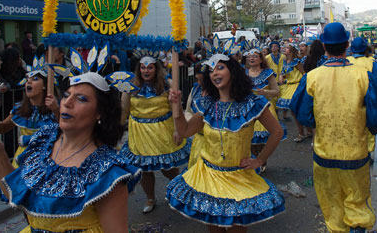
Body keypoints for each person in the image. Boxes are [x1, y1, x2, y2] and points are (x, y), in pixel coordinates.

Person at [0, 70, 141, 232]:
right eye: (66, 95)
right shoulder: (43, 140)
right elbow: (14, 193)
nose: (67, 103)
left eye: (81, 99)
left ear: (100, 113)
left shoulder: (107, 171)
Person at [166, 52, 285, 232]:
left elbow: (277, 131)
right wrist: (176, 108)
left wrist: (260, 160)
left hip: (239, 178)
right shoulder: (207, 104)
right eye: (211, 70)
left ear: (233, 71)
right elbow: (185, 131)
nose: (214, 73)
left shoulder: (252, 102)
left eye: (220, 68)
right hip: (208, 177)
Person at [291, 23, 377, 233]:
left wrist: (321, 123)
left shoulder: (312, 77)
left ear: (324, 45)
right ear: (347, 44)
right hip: (356, 153)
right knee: (357, 201)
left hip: (324, 153)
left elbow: (303, 113)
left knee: (332, 204)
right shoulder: (363, 75)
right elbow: (376, 117)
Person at [119, 52, 191, 213]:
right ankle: (150, 198)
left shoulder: (167, 84)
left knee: (169, 168)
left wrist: (176, 129)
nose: (146, 71)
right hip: (140, 134)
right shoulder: (130, 85)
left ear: (156, 69)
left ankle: (177, 191)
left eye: (150, 67)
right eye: (143, 67)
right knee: (145, 170)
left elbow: (176, 109)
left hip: (162, 133)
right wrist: (115, 130)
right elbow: (124, 110)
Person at [0, 64, 59, 167]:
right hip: (23, 159)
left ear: (45, 85)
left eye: (35, 79)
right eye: (27, 79)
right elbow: (2, 128)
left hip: (49, 158)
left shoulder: (58, 106)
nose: (29, 82)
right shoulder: (19, 109)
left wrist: (56, 110)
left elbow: (70, 129)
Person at [246, 48, 283, 172]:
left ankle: (261, 160)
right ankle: (253, 159)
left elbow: (277, 91)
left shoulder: (267, 73)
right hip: (247, 108)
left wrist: (265, 92)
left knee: (262, 139)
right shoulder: (243, 73)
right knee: (249, 138)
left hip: (264, 108)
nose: (252, 58)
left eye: (255, 56)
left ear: (261, 59)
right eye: (249, 57)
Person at [276, 43, 308, 142]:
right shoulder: (284, 61)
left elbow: (304, 73)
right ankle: (304, 132)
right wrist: (281, 76)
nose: (284, 49)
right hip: (289, 86)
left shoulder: (296, 62)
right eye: (284, 47)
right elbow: (283, 72)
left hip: (297, 86)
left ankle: (302, 133)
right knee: (295, 111)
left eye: (287, 48)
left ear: (291, 50)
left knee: (297, 111)